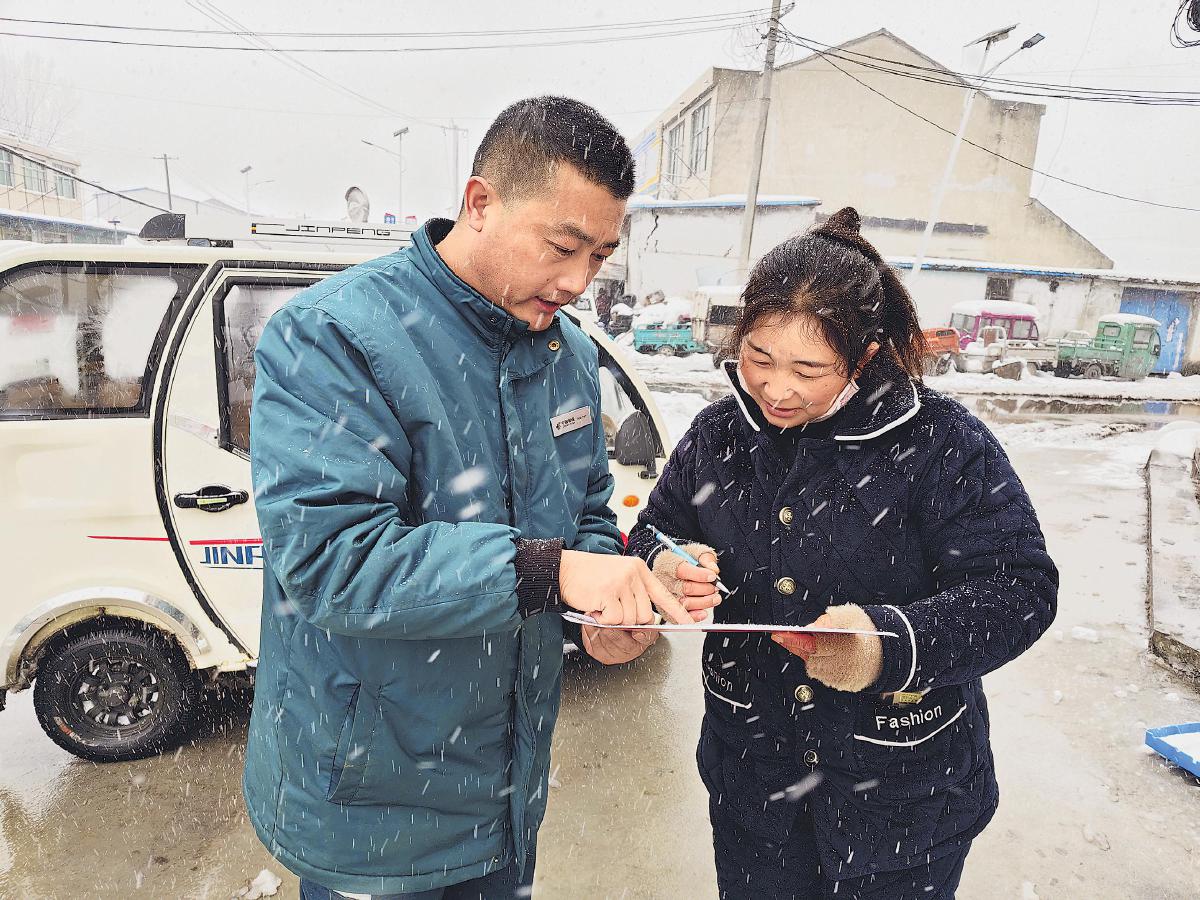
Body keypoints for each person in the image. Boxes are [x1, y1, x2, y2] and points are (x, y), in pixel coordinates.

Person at [243, 96, 715, 900]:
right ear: (480, 203)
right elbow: (332, 562)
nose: (577, 282)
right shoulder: (334, 334)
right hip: (371, 807)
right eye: (561, 247)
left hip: (506, 796)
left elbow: (586, 514)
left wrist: (606, 611)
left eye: (600, 256)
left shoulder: (567, 355)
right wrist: (549, 572)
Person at [625, 208, 1059, 899]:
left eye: (809, 369)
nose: (777, 388)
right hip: (756, 793)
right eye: (759, 358)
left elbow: (1019, 590)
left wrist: (889, 645)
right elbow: (655, 528)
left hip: (904, 805)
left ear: (863, 358)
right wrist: (667, 562)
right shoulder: (718, 437)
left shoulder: (941, 445)